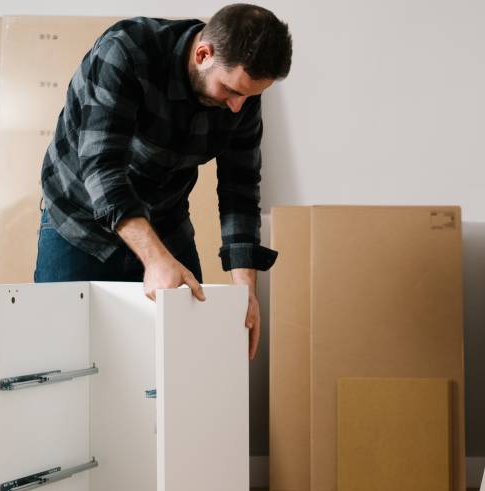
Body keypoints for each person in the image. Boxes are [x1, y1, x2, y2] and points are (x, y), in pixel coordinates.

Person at [34, 4, 292, 365]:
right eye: (231, 91)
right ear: (203, 54)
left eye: (250, 96)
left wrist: (245, 289)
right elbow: (102, 167)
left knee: (182, 362)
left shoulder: (242, 97)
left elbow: (240, 188)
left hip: (164, 219)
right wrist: (154, 259)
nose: (238, 107)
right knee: (61, 360)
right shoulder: (126, 51)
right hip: (80, 221)